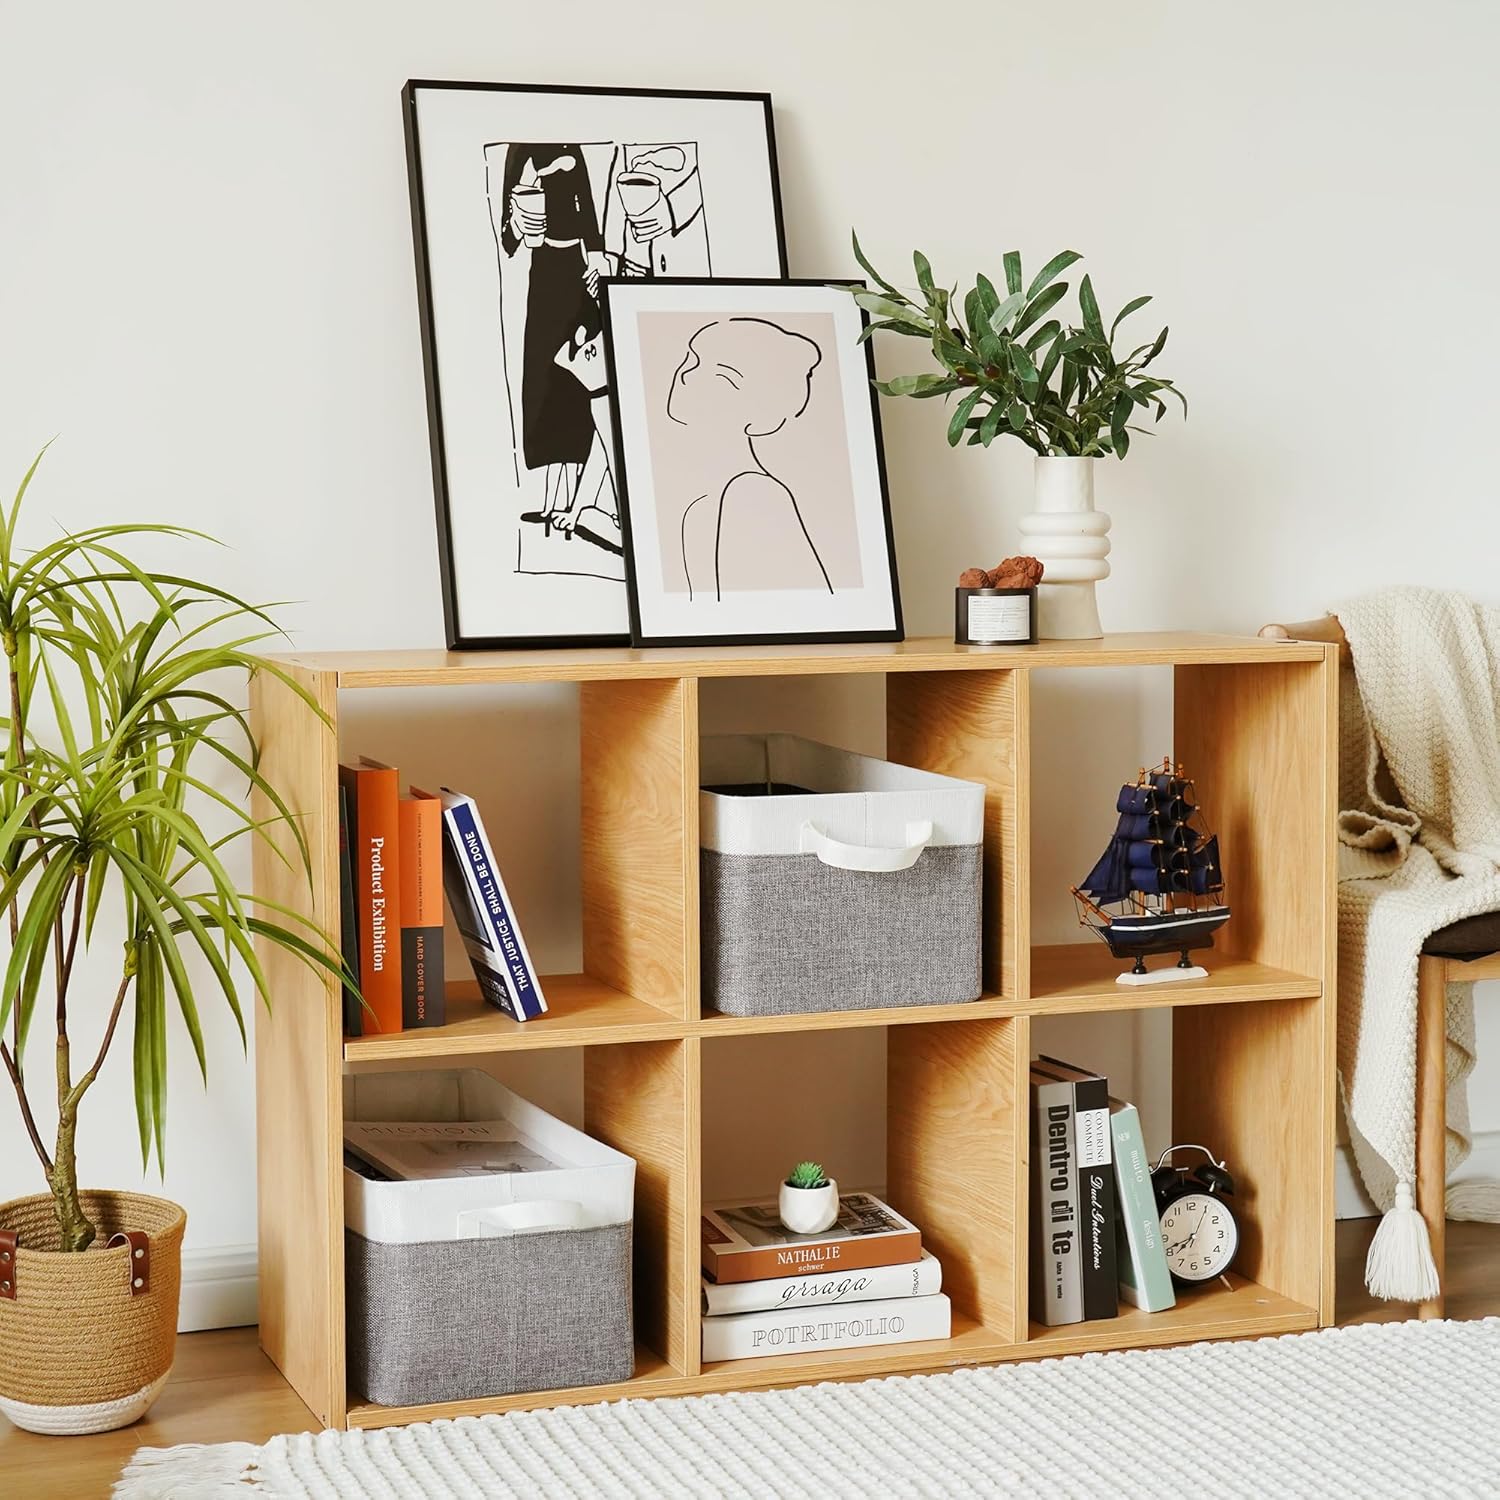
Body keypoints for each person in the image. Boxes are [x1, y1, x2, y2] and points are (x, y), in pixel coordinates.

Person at [666, 317, 833, 601]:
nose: (687, 374)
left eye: (723, 376)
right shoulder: (701, 508)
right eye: (692, 359)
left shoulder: (753, 492)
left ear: (762, 417)